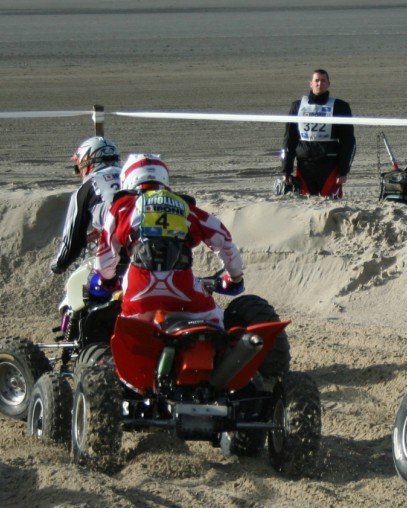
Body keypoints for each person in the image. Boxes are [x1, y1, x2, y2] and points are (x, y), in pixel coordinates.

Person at [94, 154, 244, 327]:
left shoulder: (122, 207)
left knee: (128, 330)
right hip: (182, 288)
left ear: (127, 178)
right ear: (164, 177)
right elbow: (223, 240)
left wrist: (108, 280)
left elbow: (105, 255)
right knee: (214, 320)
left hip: (138, 290)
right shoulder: (186, 207)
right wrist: (235, 277)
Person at [49, 136, 122, 274]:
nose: (79, 173)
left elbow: (72, 240)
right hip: (149, 242)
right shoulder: (130, 176)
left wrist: (59, 265)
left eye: (78, 168)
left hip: (118, 251)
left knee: (95, 290)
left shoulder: (86, 188)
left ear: (87, 164)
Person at [280, 69, 356, 198]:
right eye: (316, 80)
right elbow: (289, 139)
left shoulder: (340, 106)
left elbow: (348, 141)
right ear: (310, 83)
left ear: (328, 84)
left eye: (323, 80)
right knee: (304, 203)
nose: (319, 84)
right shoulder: (297, 106)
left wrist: (343, 171)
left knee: (330, 203)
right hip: (304, 164)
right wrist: (286, 170)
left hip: (330, 164)